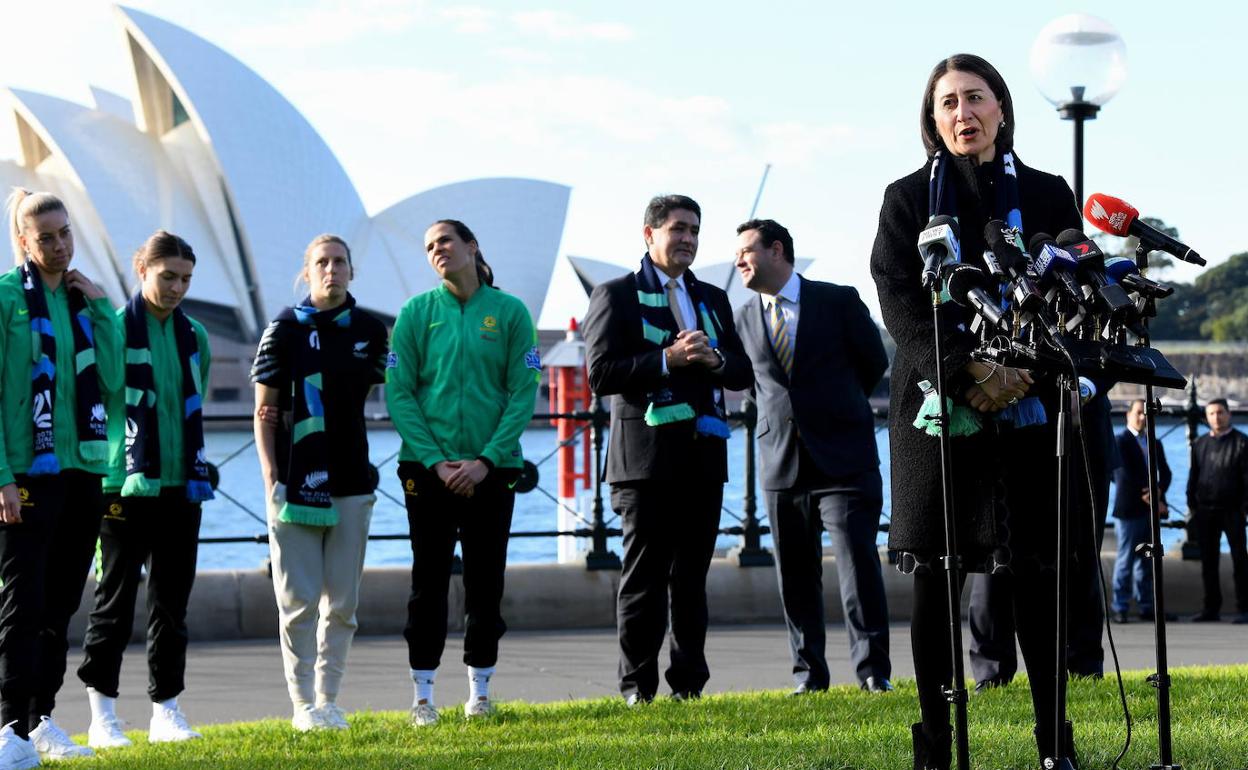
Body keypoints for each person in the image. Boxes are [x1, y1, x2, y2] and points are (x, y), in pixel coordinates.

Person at [868, 55, 1085, 769]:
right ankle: (934, 739)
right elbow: (898, 296)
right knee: (935, 575)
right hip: (935, 410)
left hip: (1027, 403)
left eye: (976, 99)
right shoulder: (905, 199)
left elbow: (1070, 291)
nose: (964, 113)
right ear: (933, 121)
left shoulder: (1051, 195)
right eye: (948, 103)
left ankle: (1055, 740)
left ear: (1002, 108)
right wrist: (969, 369)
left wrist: (1021, 367)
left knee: (1034, 571)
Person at [582, 195, 752, 705]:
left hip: (703, 458)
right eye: (678, 229)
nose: (688, 239)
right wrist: (668, 359)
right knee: (644, 581)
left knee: (692, 581)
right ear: (649, 234)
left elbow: (742, 371)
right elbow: (600, 375)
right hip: (644, 464)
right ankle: (638, 688)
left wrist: (714, 359)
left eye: (695, 231)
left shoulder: (713, 299)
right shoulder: (617, 294)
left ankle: (689, 687)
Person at [387, 220, 539, 726]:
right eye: (429, 247)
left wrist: (484, 462)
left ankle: (480, 691)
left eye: (445, 242)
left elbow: (522, 393)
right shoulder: (415, 313)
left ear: (472, 246)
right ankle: (423, 696)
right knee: (427, 581)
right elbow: (400, 393)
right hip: (427, 469)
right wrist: (435, 460)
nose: (437, 252)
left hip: (492, 470)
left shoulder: (510, 312)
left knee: (485, 580)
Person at [732, 218, 892, 694]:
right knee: (795, 578)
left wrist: (838, 407)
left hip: (844, 459)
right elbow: (748, 381)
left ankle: (872, 673)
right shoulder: (742, 317)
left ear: (777, 250)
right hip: (781, 464)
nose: (739, 260)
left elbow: (874, 362)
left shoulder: (837, 300)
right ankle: (808, 675)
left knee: (857, 568)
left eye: (746, 250)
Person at [76, 231, 213, 748]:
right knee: (113, 602)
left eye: (186, 279)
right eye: (168, 276)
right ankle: (102, 717)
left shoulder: (195, 333)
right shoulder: (111, 327)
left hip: (183, 485)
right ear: (141, 269)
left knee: (171, 605)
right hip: (122, 485)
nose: (177, 287)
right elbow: (105, 389)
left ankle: (167, 710)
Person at [0, 189, 123, 767]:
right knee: (21, 605)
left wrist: (100, 306)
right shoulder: (5, 300)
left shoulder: (82, 304)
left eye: (64, 232)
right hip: (27, 472)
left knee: (60, 604)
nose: (58, 245)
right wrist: (1, 477)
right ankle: (7, 727)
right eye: (44, 236)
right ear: (23, 241)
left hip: (83, 470)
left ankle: (41, 718)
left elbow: (119, 381)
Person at [252, 234, 388, 731]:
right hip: (295, 484)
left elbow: (396, 388)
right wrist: (272, 478)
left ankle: (331, 699)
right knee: (298, 602)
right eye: (322, 263)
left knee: (344, 603)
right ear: (306, 272)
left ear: (351, 271)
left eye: (340, 262)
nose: (332, 270)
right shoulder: (283, 330)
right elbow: (264, 412)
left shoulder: (372, 332)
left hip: (352, 481)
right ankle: (302, 705)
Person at [1186, 398, 1248, 624]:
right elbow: (1194, 477)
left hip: (1233, 511)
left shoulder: (1242, 442)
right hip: (1205, 511)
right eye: (1211, 413)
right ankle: (1210, 608)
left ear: (1229, 414)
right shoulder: (1200, 443)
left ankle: (1244, 608)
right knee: (1208, 562)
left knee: (1240, 560)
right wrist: (1192, 505)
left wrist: (1244, 508)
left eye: (1220, 412)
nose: (1216, 417)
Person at [1110, 399, 1171, 623]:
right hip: (1129, 509)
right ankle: (1120, 606)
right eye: (1138, 413)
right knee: (1125, 559)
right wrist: (1147, 495)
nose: (1143, 417)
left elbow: (1165, 472)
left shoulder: (1154, 442)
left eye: (1146, 414)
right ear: (1128, 415)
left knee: (1147, 559)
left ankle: (1147, 606)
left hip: (1150, 509)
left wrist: (1159, 492)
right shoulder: (1120, 441)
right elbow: (1121, 475)